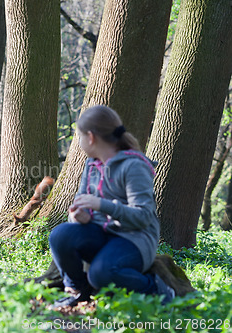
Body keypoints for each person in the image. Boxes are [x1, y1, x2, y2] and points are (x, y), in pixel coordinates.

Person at [49, 105, 175, 308]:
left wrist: (102, 205)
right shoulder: (91, 164)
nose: (78, 142)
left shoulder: (134, 166)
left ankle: (156, 289)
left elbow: (143, 216)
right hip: (100, 232)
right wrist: (79, 217)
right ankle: (79, 290)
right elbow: (83, 204)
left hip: (134, 238)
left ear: (90, 137)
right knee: (60, 235)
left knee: (102, 274)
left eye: (79, 136)